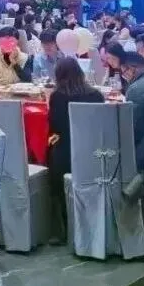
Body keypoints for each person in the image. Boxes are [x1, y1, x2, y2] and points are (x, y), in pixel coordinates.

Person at [46, 57, 105, 243]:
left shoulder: (57, 97)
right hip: (93, 151)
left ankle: (60, 227)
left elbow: (55, 127)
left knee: (50, 152)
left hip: (65, 154)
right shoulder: (96, 95)